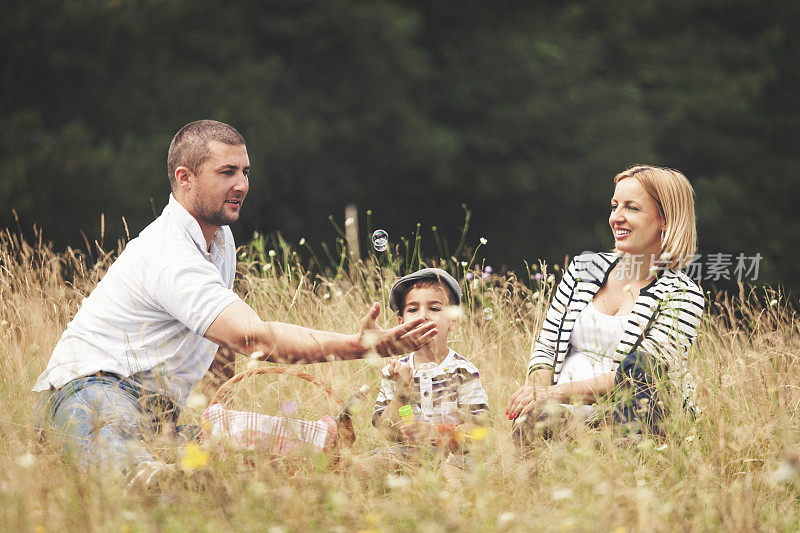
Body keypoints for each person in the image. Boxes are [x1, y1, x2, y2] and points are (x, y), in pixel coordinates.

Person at [32, 120, 437, 477]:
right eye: (227, 172)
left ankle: (365, 469)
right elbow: (253, 339)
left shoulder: (220, 240)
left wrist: (213, 420)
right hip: (90, 391)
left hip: (159, 412)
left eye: (245, 171)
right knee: (144, 474)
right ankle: (148, 477)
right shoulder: (169, 252)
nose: (241, 184)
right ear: (185, 177)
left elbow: (221, 349)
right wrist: (358, 346)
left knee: (246, 459)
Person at [506, 165, 705, 437]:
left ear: (666, 221)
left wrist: (553, 393)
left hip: (630, 424)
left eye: (632, 208)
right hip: (560, 415)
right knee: (534, 423)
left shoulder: (682, 294)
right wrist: (536, 394)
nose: (616, 217)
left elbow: (640, 379)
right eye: (614, 206)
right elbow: (546, 347)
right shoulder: (582, 268)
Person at [372, 268, 491, 465]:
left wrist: (439, 432)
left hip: (454, 457)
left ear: (453, 321)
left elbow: (480, 430)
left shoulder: (463, 372)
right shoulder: (393, 371)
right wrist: (401, 392)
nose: (423, 316)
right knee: (377, 461)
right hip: (405, 455)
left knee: (455, 471)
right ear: (401, 323)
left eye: (434, 309)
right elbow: (385, 431)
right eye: (413, 310)